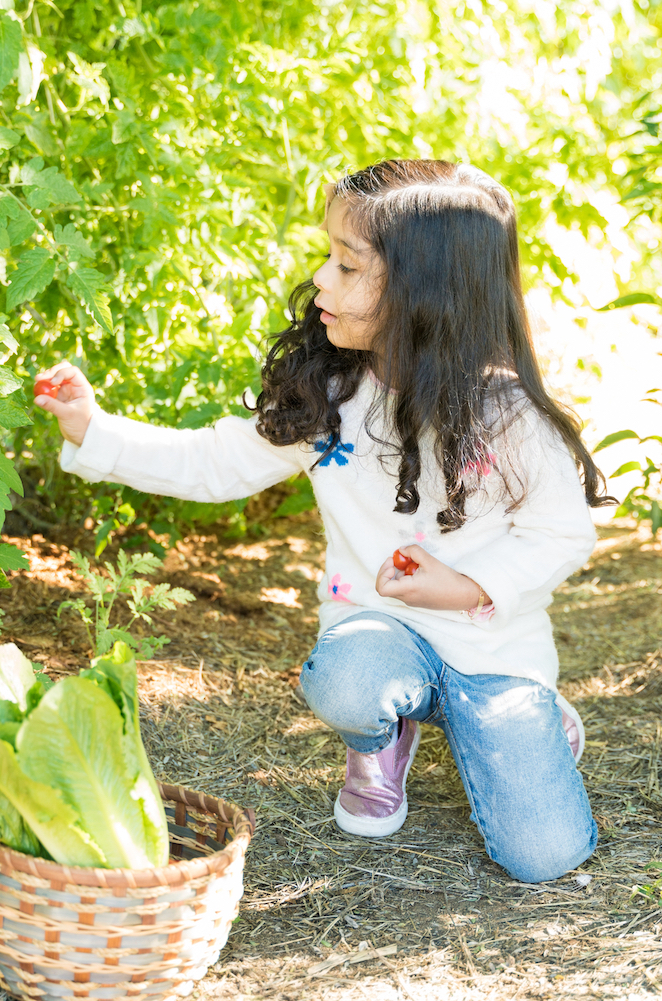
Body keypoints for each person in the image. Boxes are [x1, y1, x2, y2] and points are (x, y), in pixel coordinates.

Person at [35, 159, 614, 884]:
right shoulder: (331, 393)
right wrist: (94, 430)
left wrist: (466, 585)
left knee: (544, 857)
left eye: (346, 264)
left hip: (493, 648)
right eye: (328, 258)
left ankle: (523, 723)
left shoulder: (509, 417)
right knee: (344, 675)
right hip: (378, 638)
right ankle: (383, 730)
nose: (321, 279)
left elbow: (565, 532)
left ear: (421, 291)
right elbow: (215, 461)